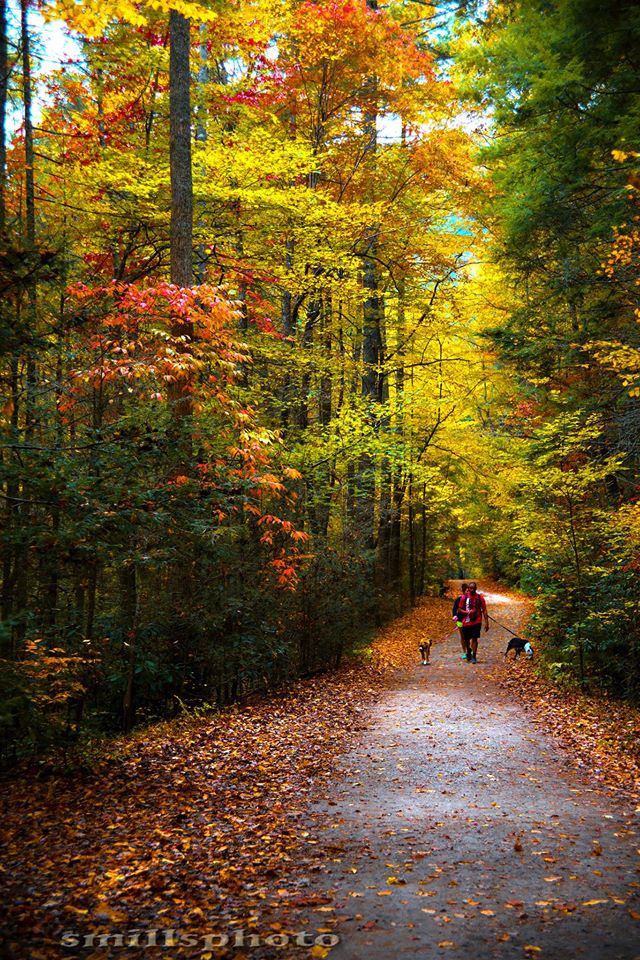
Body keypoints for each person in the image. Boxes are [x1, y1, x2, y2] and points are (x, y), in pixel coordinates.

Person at [460, 581, 489, 663]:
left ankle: (474, 656)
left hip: (477, 621)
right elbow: (459, 609)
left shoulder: (480, 598)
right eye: (470, 588)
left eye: (473, 588)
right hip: (466, 622)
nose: (472, 590)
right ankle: (468, 651)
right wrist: (466, 612)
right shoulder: (464, 598)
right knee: (466, 640)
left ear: (476, 589)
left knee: (475, 638)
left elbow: (484, 610)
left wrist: (487, 623)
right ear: (468, 589)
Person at [452, 583, 469, 659]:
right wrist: (455, 616)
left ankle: (470, 650)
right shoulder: (459, 599)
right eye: (467, 591)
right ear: (463, 591)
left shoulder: (473, 599)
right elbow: (454, 609)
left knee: (469, 637)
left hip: (469, 621)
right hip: (460, 620)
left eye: (469, 591)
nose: (468, 592)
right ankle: (464, 652)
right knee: (463, 637)